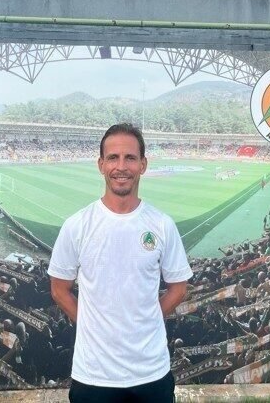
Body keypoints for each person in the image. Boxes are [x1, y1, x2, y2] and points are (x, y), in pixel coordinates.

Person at [48, 123, 193, 402]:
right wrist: (92, 326)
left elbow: (179, 288)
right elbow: (59, 289)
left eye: (130, 158)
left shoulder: (162, 225)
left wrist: (147, 320)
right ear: (101, 164)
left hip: (151, 372)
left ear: (143, 165)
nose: (121, 166)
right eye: (113, 157)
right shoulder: (77, 225)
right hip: (93, 375)